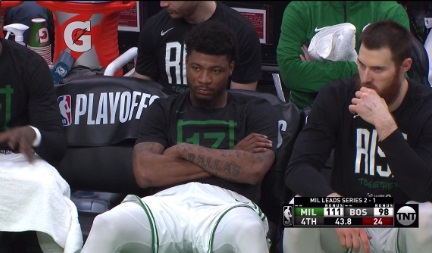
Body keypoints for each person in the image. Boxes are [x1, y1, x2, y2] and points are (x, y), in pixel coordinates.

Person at [81, 20, 277, 253]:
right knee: (106, 223)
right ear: (186, 63)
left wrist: (184, 150)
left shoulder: (256, 109)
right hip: (167, 202)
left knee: (249, 230)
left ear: (231, 68)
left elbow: (252, 170)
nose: (204, 79)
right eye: (196, 68)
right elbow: (146, 172)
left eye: (215, 70)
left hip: (228, 205)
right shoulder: (162, 109)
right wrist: (233, 154)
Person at [283, 20, 432, 253]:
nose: (366, 77)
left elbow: (424, 189)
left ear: (405, 66)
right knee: (297, 211)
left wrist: (386, 126)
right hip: (351, 213)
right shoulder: (337, 95)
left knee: (426, 216)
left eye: (378, 69)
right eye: (361, 64)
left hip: (399, 217)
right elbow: (297, 168)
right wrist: (338, 207)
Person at [0, 3, 83, 252]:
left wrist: (32, 133)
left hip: (17, 161)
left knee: (46, 188)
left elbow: (56, 145)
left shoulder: (29, 65)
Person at [276, 1, 410, 110]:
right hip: (308, 113)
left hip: (371, 116)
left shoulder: (391, 12)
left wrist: (316, 68)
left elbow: (398, 76)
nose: (366, 74)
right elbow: (291, 73)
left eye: (376, 68)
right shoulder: (300, 9)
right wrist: (369, 71)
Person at [133, 1, 262, 94]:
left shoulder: (241, 31)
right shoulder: (154, 27)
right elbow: (140, 89)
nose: (163, 4)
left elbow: (242, 102)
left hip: (219, 121)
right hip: (167, 119)